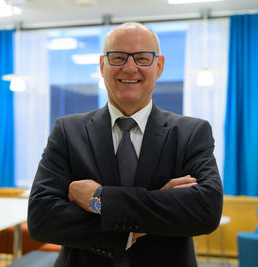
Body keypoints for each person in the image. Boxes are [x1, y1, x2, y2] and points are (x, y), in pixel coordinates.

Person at [27, 22, 223, 267]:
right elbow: (42, 219)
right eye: (118, 57)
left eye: (142, 58)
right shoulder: (68, 131)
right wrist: (152, 210)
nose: (130, 68)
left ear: (159, 66)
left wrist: (100, 199)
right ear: (102, 65)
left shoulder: (191, 133)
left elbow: (205, 211)